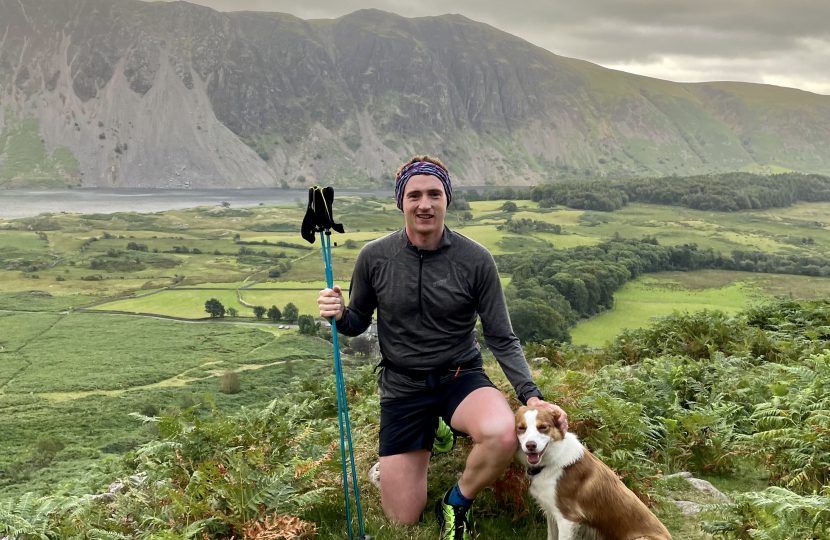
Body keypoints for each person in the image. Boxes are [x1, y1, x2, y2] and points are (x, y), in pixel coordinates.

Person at [318, 155, 568, 540]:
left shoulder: (476, 259)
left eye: (435, 194)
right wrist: (336, 313)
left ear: (447, 200)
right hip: (402, 386)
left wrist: (531, 397)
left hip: (459, 376)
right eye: (414, 195)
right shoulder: (375, 256)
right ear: (400, 201)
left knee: (503, 435)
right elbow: (356, 323)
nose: (425, 204)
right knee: (402, 517)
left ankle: (456, 502)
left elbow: (501, 337)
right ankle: (438, 430)